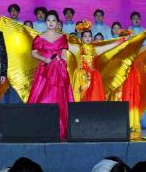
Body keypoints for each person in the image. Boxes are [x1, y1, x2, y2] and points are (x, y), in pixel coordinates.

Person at [27, 10, 74, 139]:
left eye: (53, 20)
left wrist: (62, 64)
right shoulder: (39, 37)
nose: (51, 23)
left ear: (57, 22)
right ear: (45, 22)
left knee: (60, 100)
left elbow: (64, 54)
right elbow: (33, 53)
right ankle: (41, 128)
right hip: (45, 71)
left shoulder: (62, 37)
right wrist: (45, 59)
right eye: (48, 20)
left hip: (58, 71)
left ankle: (59, 128)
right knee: (42, 98)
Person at [72, 24, 109, 102]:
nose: (87, 38)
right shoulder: (77, 49)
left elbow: (109, 46)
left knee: (93, 98)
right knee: (80, 98)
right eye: (85, 36)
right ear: (81, 38)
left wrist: (123, 40)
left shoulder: (95, 50)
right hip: (80, 77)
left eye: (89, 36)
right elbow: (64, 42)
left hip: (93, 77)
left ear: (92, 38)